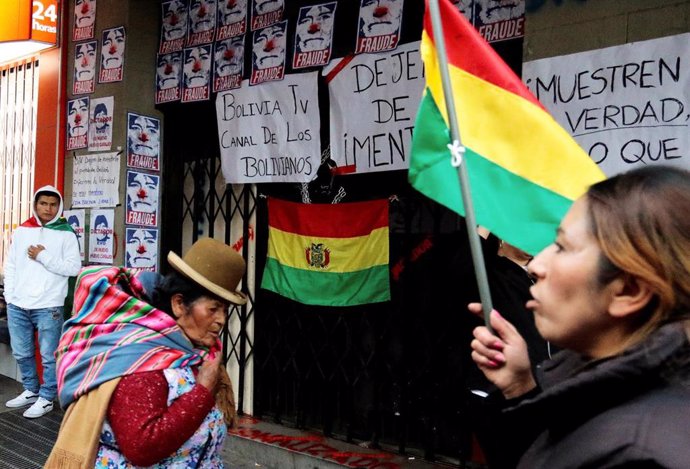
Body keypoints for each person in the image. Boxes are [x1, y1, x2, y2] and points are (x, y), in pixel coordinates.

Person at [470, 166, 690, 469]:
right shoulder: (597, 389)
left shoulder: (639, 456)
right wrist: (519, 387)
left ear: (629, 290)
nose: (537, 265)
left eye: (562, 247)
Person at [46, 237, 247, 468]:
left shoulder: (192, 352)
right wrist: (202, 392)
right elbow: (141, 447)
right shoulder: (143, 357)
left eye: (225, 310)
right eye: (213, 309)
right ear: (179, 304)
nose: (221, 320)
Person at [3, 186, 81, 419]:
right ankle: (30, 390)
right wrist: (10, 296)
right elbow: (12, 265)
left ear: (59, 207)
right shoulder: (22, 231)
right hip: (18, 304)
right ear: (35, 205)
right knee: (22, 352)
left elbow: (73, 268)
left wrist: (43, 256)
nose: (48, 208)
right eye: (43, 204)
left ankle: (47, 397)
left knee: (49, 355)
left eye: (52, 204)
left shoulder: (66, 233)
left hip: (49, 305)